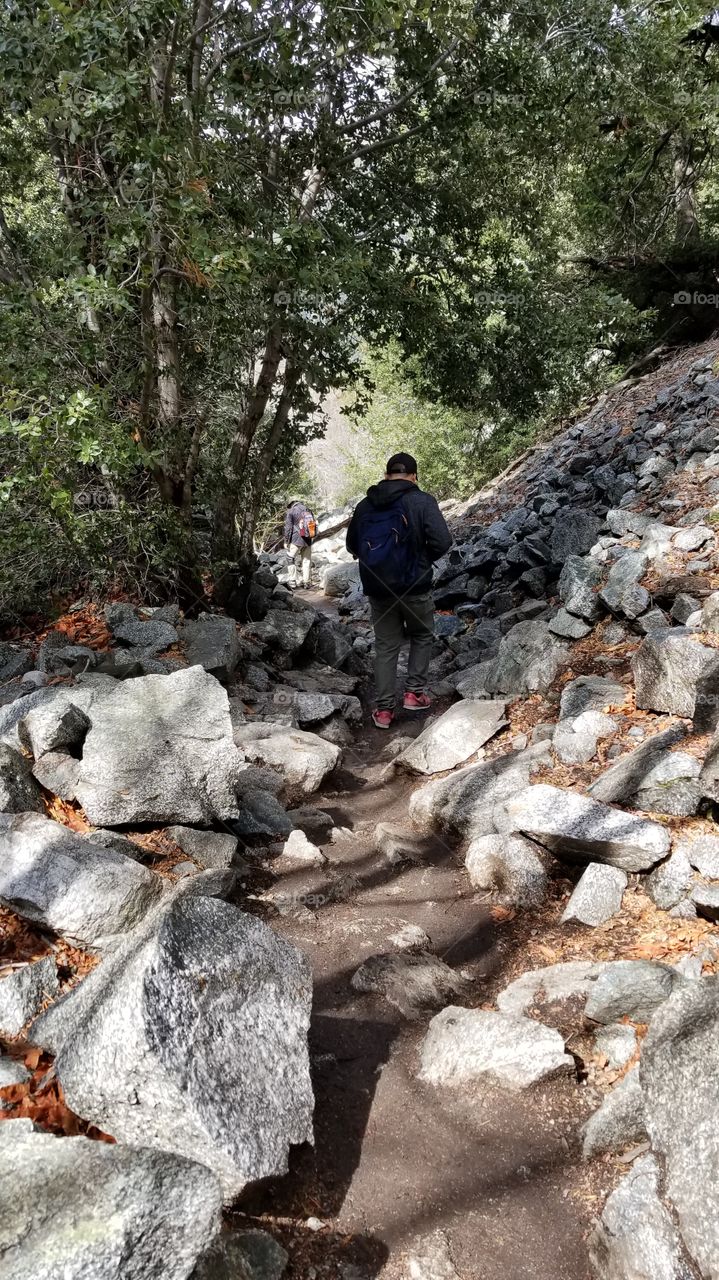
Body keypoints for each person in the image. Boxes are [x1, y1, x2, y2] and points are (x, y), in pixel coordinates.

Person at [346, 452, 452, 729]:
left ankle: (383, 711)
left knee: (385, 647)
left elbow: (352, 546)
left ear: (386, 475)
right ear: (414, 476)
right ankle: (414, 693)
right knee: (421, 634)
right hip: (415, 586)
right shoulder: (422, 501)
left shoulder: (365, 506)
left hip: (378, 589)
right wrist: (420, 559)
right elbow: (442, 540)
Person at [284, 497, 317, 589]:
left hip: (296, 540)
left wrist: (286, 541)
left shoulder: (291, 511)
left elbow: (288, 528)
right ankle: (307, 582)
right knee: (306, 561)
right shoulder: (308, 510)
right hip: (308, 539)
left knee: (290, 558)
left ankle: (292, 581)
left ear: (291, 504)